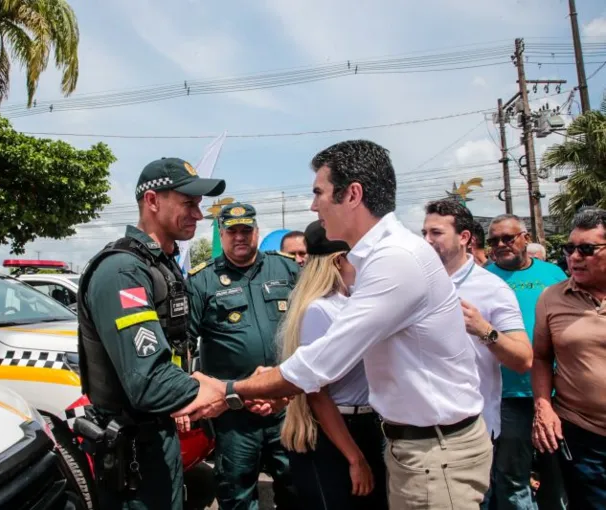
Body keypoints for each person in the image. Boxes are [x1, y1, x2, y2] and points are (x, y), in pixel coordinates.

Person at [174, 140, 492, 510]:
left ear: (353, 194)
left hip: (435, 454)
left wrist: (228, 390)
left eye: (319, 193)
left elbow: (318, 365)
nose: (313, 206)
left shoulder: (394, 260)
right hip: (417, 447)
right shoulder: (380, 258)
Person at [75, 156, 225, 510]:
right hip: (132, 450)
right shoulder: (122, 271)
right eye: (188, 203)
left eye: (199, 204)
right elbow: (149, 383)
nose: (199, 215)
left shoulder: (160, 265)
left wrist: (190, 383)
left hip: (159, 435)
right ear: (152, 201)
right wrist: (230, 392)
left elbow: (171, 349)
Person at [186, 202, 300, 510]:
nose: (240, 237)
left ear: (256, 232)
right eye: (232, 231)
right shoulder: (201, 281)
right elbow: (182, 343)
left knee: (297, 486)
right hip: (233, 411)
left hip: (286, 406)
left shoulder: (286, 268)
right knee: (237, 493)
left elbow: (311, 324)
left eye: (246, 230)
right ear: (221, 235)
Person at [422, 199, 533, 508]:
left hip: (470, 435)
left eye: (436, 233)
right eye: (424, 233)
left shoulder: (492, 289)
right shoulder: (414, 284)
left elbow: (523, 359)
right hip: (415, 436)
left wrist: (483, 329)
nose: (427, 241)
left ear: (464, 238)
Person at [280, 219, 388, 510]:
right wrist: (354, 457)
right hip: (337, 431)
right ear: (340, 260)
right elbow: (316, 392)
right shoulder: (319, 309)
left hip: (365, 424)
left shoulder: (351, 302)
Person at [484, 214, 568, 510]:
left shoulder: (553, 275)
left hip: (555, 394)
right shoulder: (483, 278)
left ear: (526, 238)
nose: (500, 245)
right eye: (493, 241)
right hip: (506, 395)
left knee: (558, 471)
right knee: (511, 476)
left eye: (508, 238)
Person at [531, 208, 606, 510]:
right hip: (584, 436)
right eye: (569, 248)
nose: (574, 256)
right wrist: (543, 406)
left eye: (586, 249)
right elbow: (540, 358)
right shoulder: (552, 298)